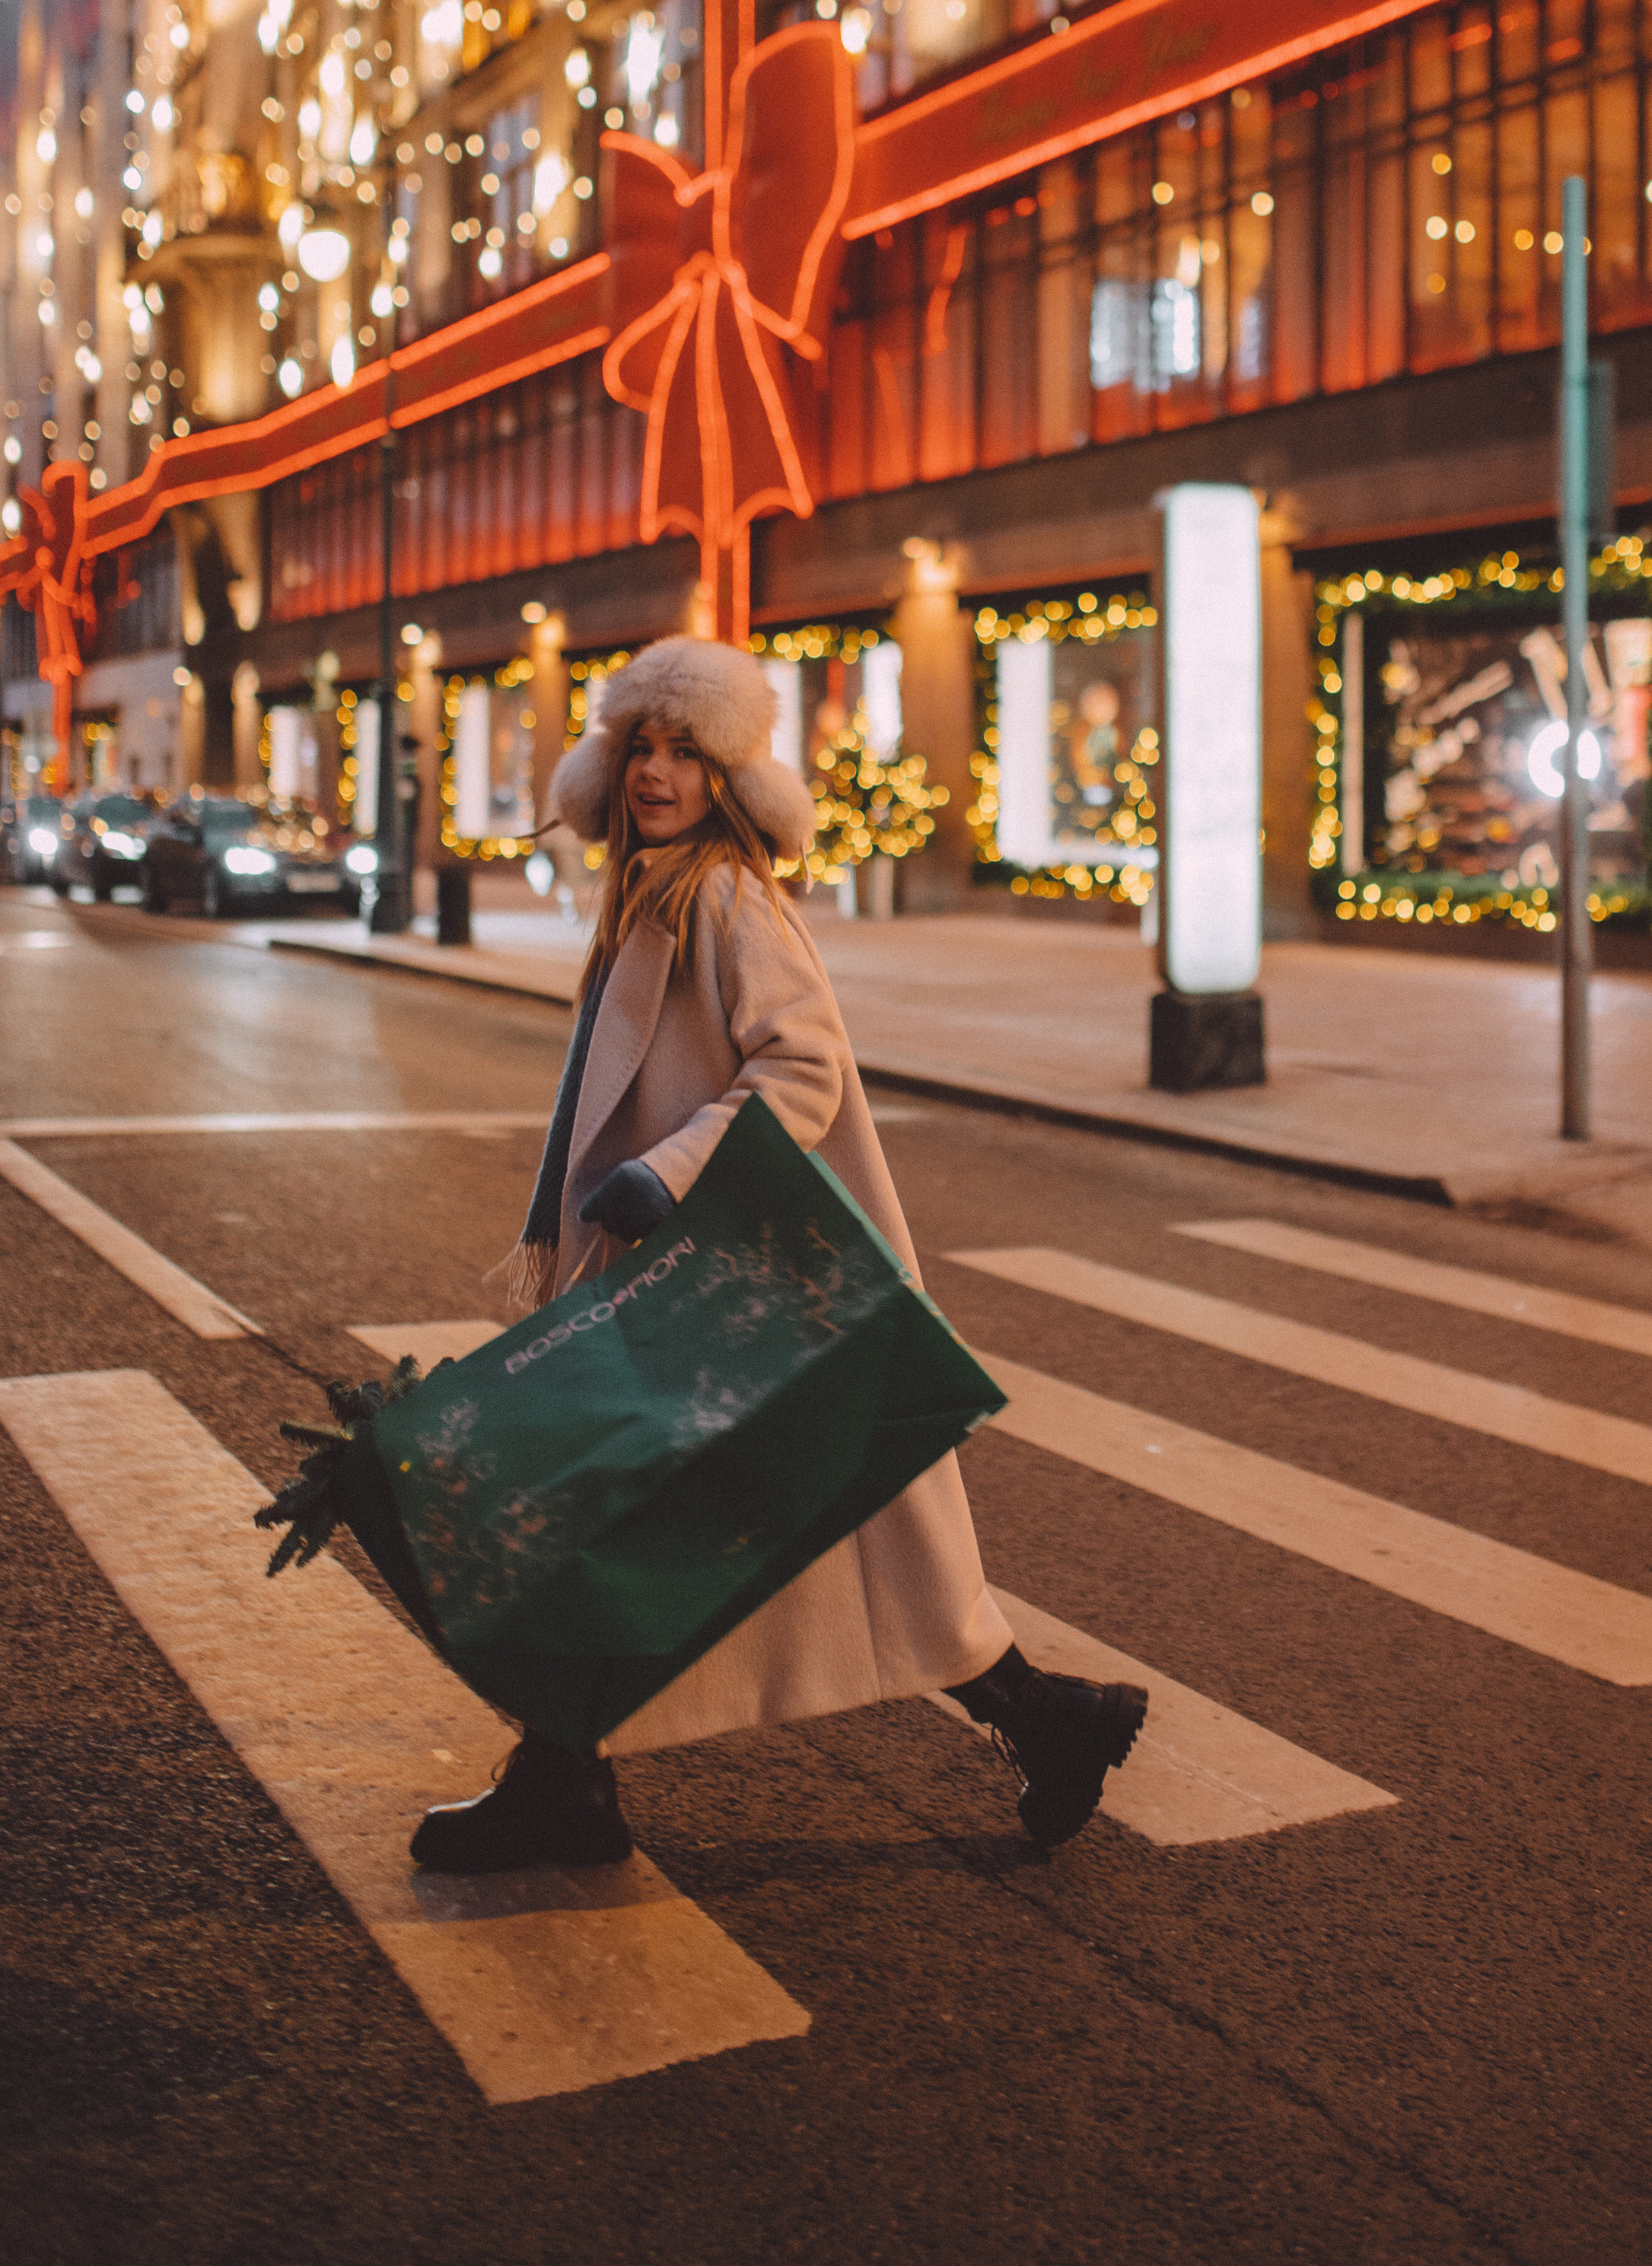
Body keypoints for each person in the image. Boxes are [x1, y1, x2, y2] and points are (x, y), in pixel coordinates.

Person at [412, 635, 1147, 1875]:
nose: (657, 771)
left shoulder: (723, 896)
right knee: (788, 1524)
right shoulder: (653, 892)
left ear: (728, 780)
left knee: (633, 1507)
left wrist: (668, 1174)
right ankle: (570, 1777)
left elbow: (804, 1063)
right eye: (642, 745)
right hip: (680, 1265)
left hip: (713, 1260)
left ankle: (568, 1783)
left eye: (687, 752)